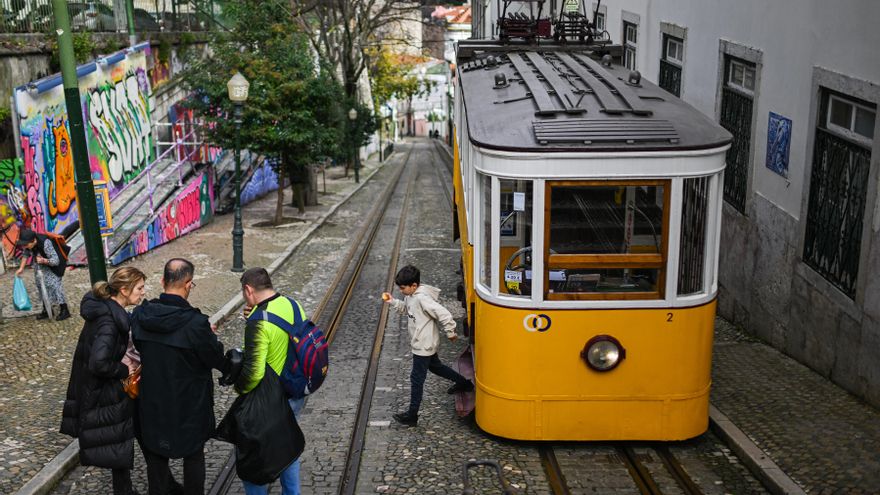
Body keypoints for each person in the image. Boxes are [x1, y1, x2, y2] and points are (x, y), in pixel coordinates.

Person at [131, 259, 229, 495]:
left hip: (152, 400)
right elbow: (215, 358)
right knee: (193, 456)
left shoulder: (141, 315)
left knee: (156, 458)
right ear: (188, 284)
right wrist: (207, 336)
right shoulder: (196, 324)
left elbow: (142, 347)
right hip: (190, 403)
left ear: (162, 281)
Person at [60, 266, 147, 495]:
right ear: (124, 290)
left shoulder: (106, 311)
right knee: (117, 438)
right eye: (139, 288)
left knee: (117, 440)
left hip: (95, 387)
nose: (143, 292)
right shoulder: (110, 322)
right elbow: (98, 362)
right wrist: (123, 369)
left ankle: (126, 489)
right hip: (102, 389)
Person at [235, 267, 308, 495]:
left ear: (248, 290)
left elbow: (254, 373)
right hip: (295, 389)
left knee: (256, 456)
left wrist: (239, 387)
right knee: (288, 446)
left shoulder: (258, 322)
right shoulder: (293, 305)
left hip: (271, 399)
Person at [382, 265, 472, 427]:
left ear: (414, 286)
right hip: (423, 342)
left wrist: (450, 331)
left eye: (402, 288)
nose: (401, 291)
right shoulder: (411, 296)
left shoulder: (422, 299)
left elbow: (443, 313)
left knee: (416, 379)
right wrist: (393, 301)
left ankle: (412, 415)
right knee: (437, 367)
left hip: (423, 345)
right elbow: (407, 309)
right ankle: (464, 384)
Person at [15, 228, 70, 320]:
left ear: (34, 241)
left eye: (26, 244)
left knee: (55, 285)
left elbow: (55, 261)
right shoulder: (29, 244)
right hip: (40, 264)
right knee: (40, 284)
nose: (24, 247)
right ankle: (47, 309)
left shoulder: (45, 243)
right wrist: (21, 268)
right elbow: (25, 254)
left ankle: (64, 309)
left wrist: (44, 260)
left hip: (53, 264)